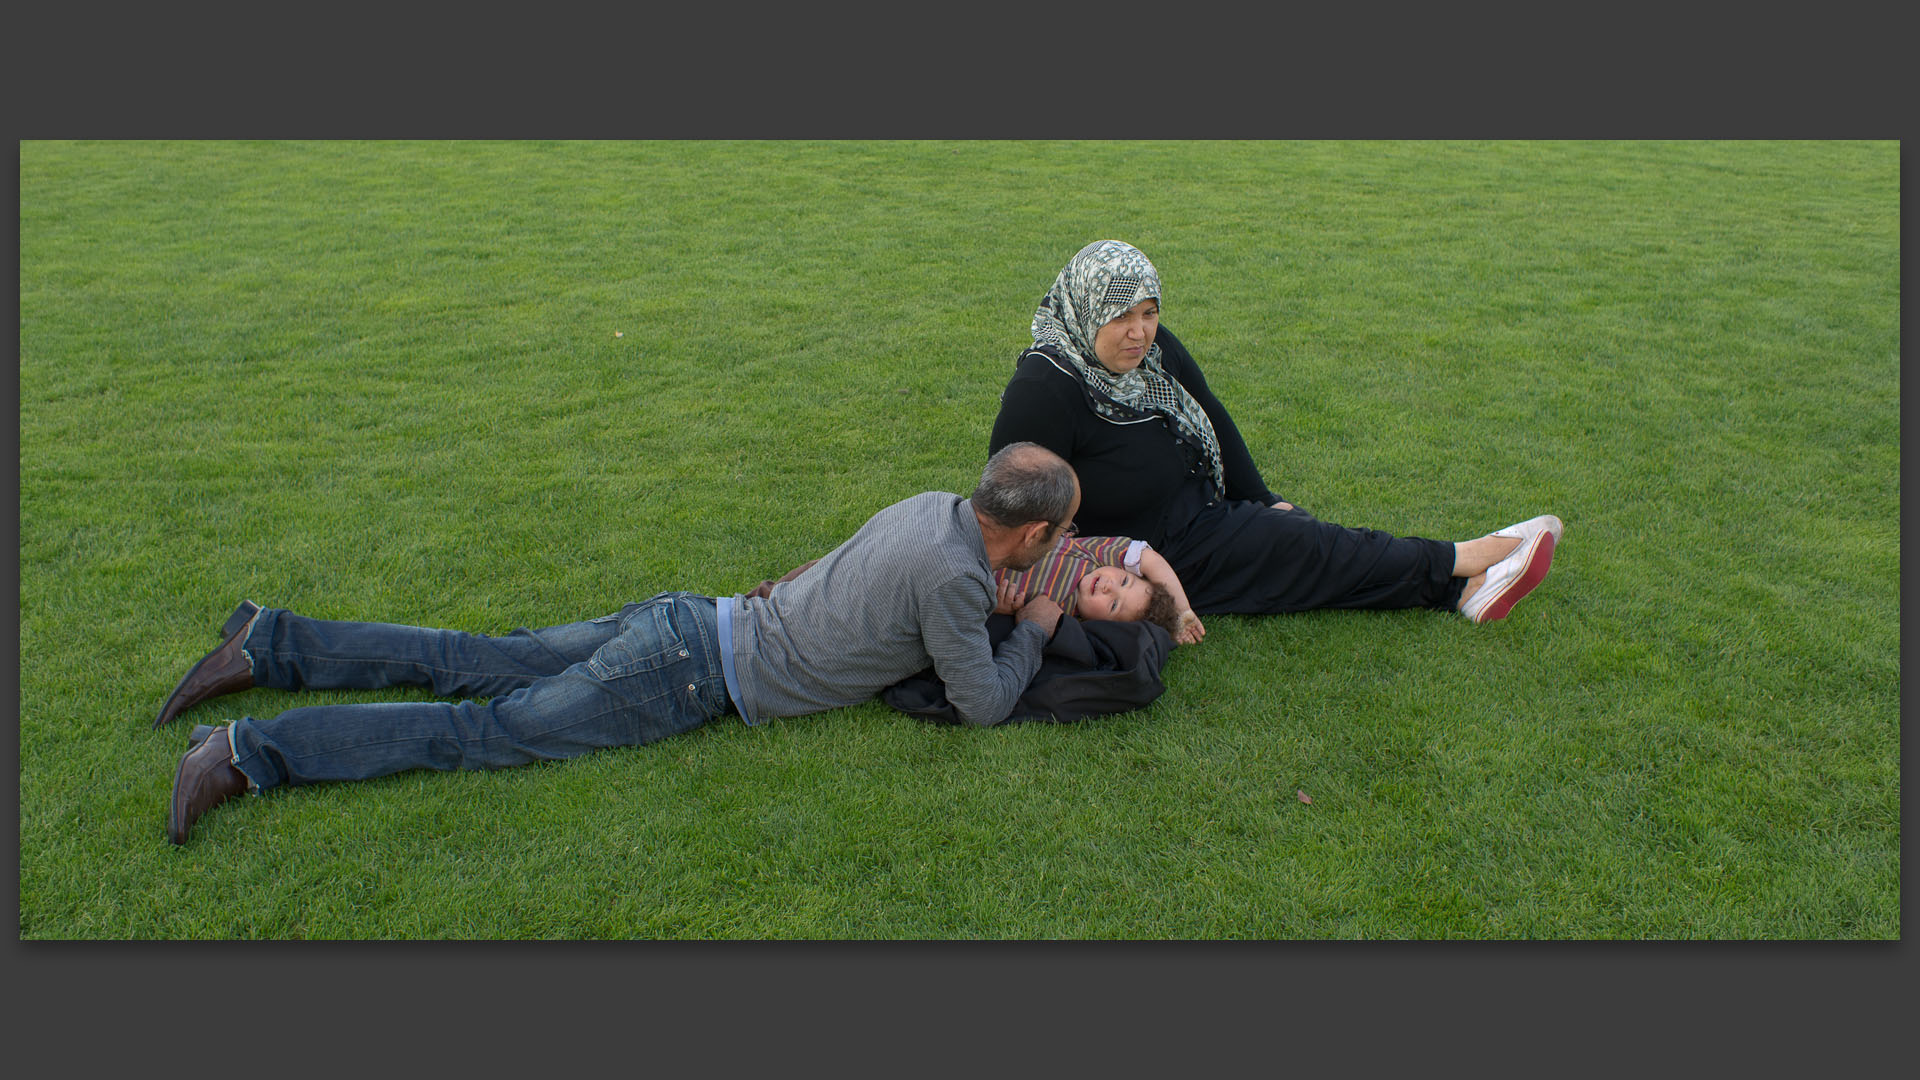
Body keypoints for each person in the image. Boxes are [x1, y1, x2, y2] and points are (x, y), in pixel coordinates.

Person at [158, 442, 1081, 845]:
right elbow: (982, 704)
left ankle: (269, 641)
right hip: (689, 673)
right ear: (1032, 536)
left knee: (477, 658)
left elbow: (826, 566)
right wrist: (1032, 629)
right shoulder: (959, 578)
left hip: (693, 615)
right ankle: (249, 754)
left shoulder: (933, 510)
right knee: (490, 730)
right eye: (1065, 533)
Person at [988, 239, 1562, 622]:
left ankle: (1458, 589)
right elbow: (1013, 497)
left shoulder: (1155, 351)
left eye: (1150, 312)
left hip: (1200, 512)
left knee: (1305, 551)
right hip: (1139, 556)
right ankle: (1466, 558)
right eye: (1121, 316)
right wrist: (1023, 581)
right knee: (1312, 549)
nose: (1140, 332)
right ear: (1086, 309)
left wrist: (1262, 497)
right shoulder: (1047, 385)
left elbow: (1210, 411)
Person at [749, 531, 1208, 645]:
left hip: (954, 576)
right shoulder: (1091, 553)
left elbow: (988, 620)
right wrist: (1183, 611)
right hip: (966, 538)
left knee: (868, 585)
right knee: (852, 557)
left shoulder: (1058, 613)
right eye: (1123, 581)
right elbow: (1148, 556)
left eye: (1112, 603)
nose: (1108, 586)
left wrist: (1006, 609)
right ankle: (775, 591)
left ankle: (782, 611)